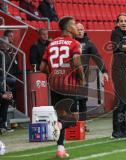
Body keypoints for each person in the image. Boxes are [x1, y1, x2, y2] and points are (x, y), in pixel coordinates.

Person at [40, 16, 84, 158]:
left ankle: (60, 149)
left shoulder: (51, 44)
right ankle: (58, 126)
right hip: (69, 84)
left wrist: (54, 73)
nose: (76, 27)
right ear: (67, 28)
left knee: (61, 116)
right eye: (73, 24)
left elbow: (42, 67)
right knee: (72, 119)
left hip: (54, 85)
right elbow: (77, 62)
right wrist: (81, 79)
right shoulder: (74, 43)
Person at [75, 23, 109, 127]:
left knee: (82, 101)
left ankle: (82, 125)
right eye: (78, 29)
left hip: (83, 77)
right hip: (70, 77)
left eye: (81, 29)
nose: (80, 31)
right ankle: (70, 125)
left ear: (84, 30)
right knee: (70, 101)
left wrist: (104, 71)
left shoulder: (89, 44)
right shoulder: (70, 42)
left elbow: (97, 57)